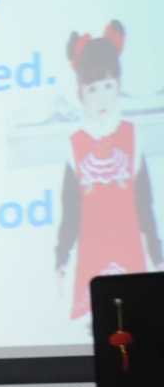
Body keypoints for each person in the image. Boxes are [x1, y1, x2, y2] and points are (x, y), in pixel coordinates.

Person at [54, 22, 161, 319]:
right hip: (93, 253)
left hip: (129, 248)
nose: (101, 97)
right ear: (80, 93)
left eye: (108, 86)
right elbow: (70, 211)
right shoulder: (75, 145)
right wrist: (61, 257)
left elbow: (145, 204)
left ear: (118, 86)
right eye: (92, 89)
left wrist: (157, 253)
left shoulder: (132, 137)